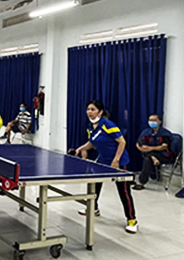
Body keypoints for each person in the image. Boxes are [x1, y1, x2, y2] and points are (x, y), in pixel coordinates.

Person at [74, 100, 138, 234]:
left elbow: (122, 142)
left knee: (124, 192)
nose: (89, 112)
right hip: (102, 160)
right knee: (94, 185)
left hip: (119, 161)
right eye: (88, 109)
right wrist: (82, 148)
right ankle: (93, 208)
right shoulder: (91, 127)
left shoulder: (108, 125)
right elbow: (93, 143)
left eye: (92, 109)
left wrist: (116, 160)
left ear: (100, 111)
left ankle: (132, 220)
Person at [133, 114, 174, 190]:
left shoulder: (165, 133)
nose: (152, 122)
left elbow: (164, 146)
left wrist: (150, 149)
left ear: (160, 121)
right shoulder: (146, 132)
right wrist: (141, 148)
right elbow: (139, 143)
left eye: (154, 120)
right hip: (149, 153)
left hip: (163, 155)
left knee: (148, 158)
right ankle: (153, 158)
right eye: (150, 120)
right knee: (148, 158)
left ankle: (141, 182)